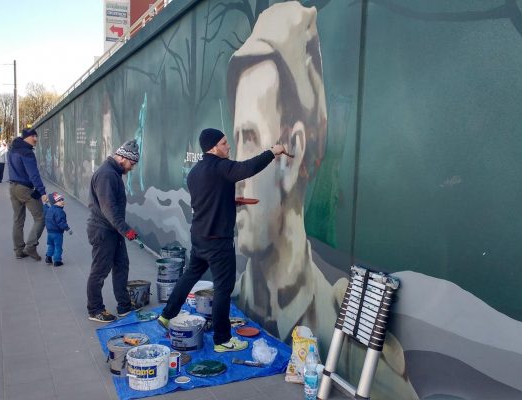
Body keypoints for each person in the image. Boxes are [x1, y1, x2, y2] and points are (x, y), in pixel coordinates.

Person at [226, 2, 416, 399]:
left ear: (292, 154)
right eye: (236, 141)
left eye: (250, 139)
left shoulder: (349, 347)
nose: (236, 176)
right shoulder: (234, 300)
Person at [157, 128, 286, 353]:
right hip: (218, 240)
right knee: (223, 289)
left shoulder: (195, 171)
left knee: (189, 276)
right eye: (224, 143)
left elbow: (207, 199)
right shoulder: (221, 167)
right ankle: (222, 340)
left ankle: (166, 315)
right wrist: (272, 152)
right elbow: (247, 168)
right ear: (213, 147)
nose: (228, 146)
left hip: (199, 236)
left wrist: (230, 201)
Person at [86, 140, 140, 323]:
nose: (131, 168)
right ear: (123, 158)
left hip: (113, 230)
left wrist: (121, 230)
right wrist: (126, 230)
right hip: (102, 231)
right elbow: (109, 208)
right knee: (100, 271)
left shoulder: (113, 173)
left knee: (121, 266)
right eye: (131, 163)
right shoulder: (107, 175)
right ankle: (95, 309)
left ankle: (124, 306)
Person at [8, 128, 48, 261]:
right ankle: (30, 246)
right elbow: (33, 174)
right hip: (24, 188)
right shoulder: (27, 152)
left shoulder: (12, 149)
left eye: (36, 136)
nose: (36, 139)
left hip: (13, 187)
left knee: (18, 219)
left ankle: (19, 250)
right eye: (33, 136)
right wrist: (42, 191)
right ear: (26, 137)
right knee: (41, 217)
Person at [44, 192, 73, 267]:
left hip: (49, 233)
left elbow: (45, 209)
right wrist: (67, 228)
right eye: (59, 200)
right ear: (54, 203)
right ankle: (57, 261)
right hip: (57, 233)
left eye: (62, 199)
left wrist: (45, 203)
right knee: (58, 247)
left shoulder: (49, 209)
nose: (62, 201)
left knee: (51, 245)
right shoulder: (60, 211)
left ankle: (48, 257)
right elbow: (61, 222)